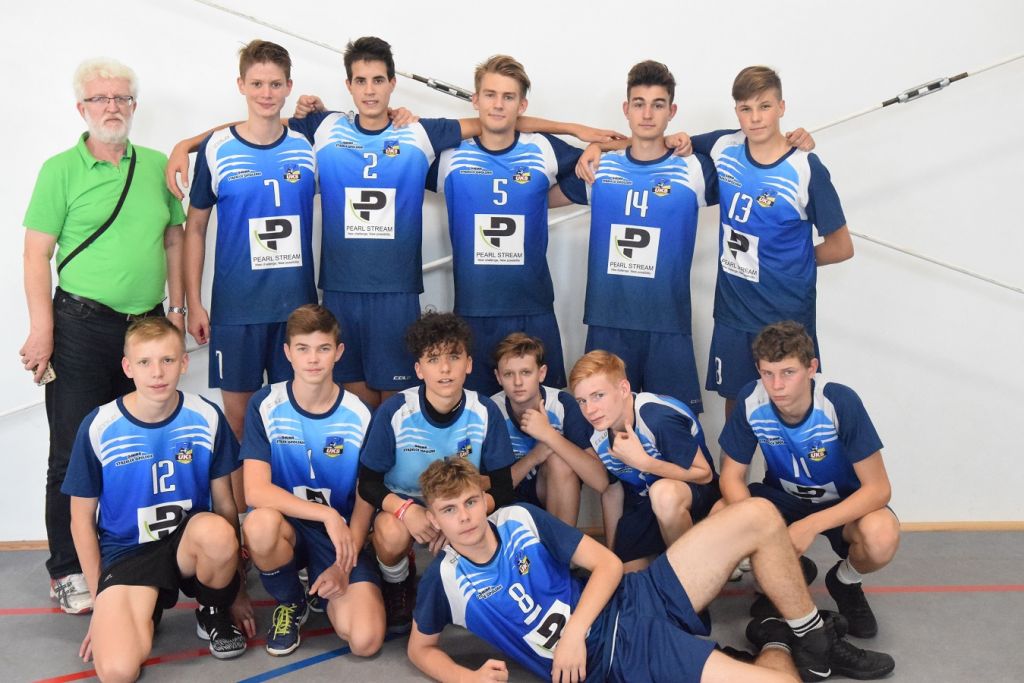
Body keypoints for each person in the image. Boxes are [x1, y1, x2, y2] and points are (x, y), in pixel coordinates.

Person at [169, 36, 619, 409]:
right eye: (361, 81)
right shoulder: (323, 129)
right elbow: (263, 119)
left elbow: (492, 120)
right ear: (348, 85)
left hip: (398, 293)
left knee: (397, 406)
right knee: (346, 402)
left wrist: (576, 131)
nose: (370, 90)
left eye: (378, 80)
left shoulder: (417, 133)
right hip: (339, 291)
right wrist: (186, 143)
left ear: (392, 83)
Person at [408, 457, 895, 682]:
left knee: (760, 515)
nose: (464, 517)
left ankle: (811, 635)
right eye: (449, 510)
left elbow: (607, 564)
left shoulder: (519, 519)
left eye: (470, 502)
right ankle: (775, 637)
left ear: (484, 500)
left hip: (634, 595)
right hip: (619, 655)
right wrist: (463, 679)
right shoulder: (444, 581)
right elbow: (420, 648)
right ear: (434, 519)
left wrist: (574, 631)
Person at [20, 57, 186, 615]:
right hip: (80, 327)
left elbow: (173, 240)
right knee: (71, 452)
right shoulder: (59, 170)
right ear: (81, 108)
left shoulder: (157, 165)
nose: (111, 107)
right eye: (100, 99)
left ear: (133, 106)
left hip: (146, 328)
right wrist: (42, 330)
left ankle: (124, 556)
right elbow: (36, 254)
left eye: (121, 98)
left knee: (135, 448)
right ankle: (68, 569)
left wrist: (178, 311)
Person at [61, 317, 252, 681]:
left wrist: (237, 589)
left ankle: (213, 610)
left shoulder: (206, 416)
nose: (157, 373)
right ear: (127, 367)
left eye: (167, 360)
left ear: (184, 362)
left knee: (216, 532)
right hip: (129, 553)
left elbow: (226, 505)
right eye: (145, 362)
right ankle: (143, 608)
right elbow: (80, 520)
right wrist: (102, 603)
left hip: (188, 546)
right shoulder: (100, 426)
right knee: (117, 671)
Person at [184, 40, 318, 515]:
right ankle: (247, 529)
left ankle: (291, 529)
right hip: (237, 311)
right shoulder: (217, 148)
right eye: (257, 83)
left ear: (289, 86)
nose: (266, 93)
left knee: (293, 425)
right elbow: (195, 228)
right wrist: (194, 303)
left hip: (297, 313)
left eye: (275, 84)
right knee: (240, 425)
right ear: (241, 85)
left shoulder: (307, 143)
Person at [427, 55, 598, 396]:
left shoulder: (542, 148)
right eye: (490, 95)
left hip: (532, 308)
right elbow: (389, 147)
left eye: (508, 97)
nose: (498, 105)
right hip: (474, 310)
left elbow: (619, 155)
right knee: (478, 411)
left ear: (522, 106)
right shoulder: (450, 154)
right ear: (475, 100)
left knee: (547, 409)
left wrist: (594, 144)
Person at [691, 66, 854, 420]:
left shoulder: (805, 167)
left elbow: (842, 247)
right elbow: (665, 144)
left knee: (791, 409)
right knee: (738, 408)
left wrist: (789, 260)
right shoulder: (724, 146)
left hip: (786, 316)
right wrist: (596, 145)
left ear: (782, 107)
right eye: (746, 108)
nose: (755, 118)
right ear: (736, 111)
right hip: (735, 312)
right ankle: (735, 462)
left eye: (764, 106)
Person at [718, 321, 900, 639]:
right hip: (782, 499)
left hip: (841, 503)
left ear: (811, 368)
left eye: (788, 372)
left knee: (881, 535)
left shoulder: (838, 401)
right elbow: (731, 476)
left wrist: (810, 526)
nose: (777, 385)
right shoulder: (751, 399)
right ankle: (790, 573)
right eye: (767, 373)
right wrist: (760, 530)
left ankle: (845, 582)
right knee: (721, 515)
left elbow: (879, 489)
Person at [241, 304, 385, 657]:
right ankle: (292, 601)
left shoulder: (360, 414)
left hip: (339, 537)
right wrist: (325, 514)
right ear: (288, 352)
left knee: (365, 641)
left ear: (338, 352)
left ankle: (327, 582)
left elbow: (366, 494)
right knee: (259, 524)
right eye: (303, 349)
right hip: (289, 525)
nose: (313, 359)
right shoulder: (265, 404)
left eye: (323, 348)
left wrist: (342, 564)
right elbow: (255, 491)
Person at [358, 311, 516, 632]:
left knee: (495, 528)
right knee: (390, 532)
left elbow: (503, 488)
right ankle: (398, 583)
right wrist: (406, 511)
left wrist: (455, 516)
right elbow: (368, 484)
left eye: (454, 357)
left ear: (468, 364)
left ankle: (471, 584)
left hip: (457, 508)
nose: (445, 368)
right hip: (406, 509)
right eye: (433, 359)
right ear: (419, 369)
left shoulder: (485, 411)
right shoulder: (396, 411)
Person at [577, 60, 718, 412]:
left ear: (672, 111)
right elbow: (532, 193)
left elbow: (744, 144)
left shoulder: (694, 168)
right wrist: (598, 146)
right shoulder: (599, 167)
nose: (647, 114)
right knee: (602, 426)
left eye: (658, 105)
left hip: (667, 321)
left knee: (674, 426)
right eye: (639, 104)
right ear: (626, 109)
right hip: (608, 319)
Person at [570, 350, 720, 572]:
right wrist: (611, 559)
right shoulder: (596, 428)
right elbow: (613, 492)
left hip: (693, 495)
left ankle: (690, 579)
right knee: (625, 579)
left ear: (623, 389)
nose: (590, 410)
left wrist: (644, 462)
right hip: (644, 504)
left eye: (598, 396)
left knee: (663, 494)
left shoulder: (656, 417)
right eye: (582, 401)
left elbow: (704, 474)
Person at [490, 332, 608, 525]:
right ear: (498, 377)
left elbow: (601, 482)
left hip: (549, 493)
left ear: (542, 373)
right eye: (509, 374)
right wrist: (535, 456)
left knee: (558, 460)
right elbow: (492, 487)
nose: (518, 382)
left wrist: (549, 436)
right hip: (507, 501)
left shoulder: (562, 405)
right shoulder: (490, 409)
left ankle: (561, 542)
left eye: (526, 372)